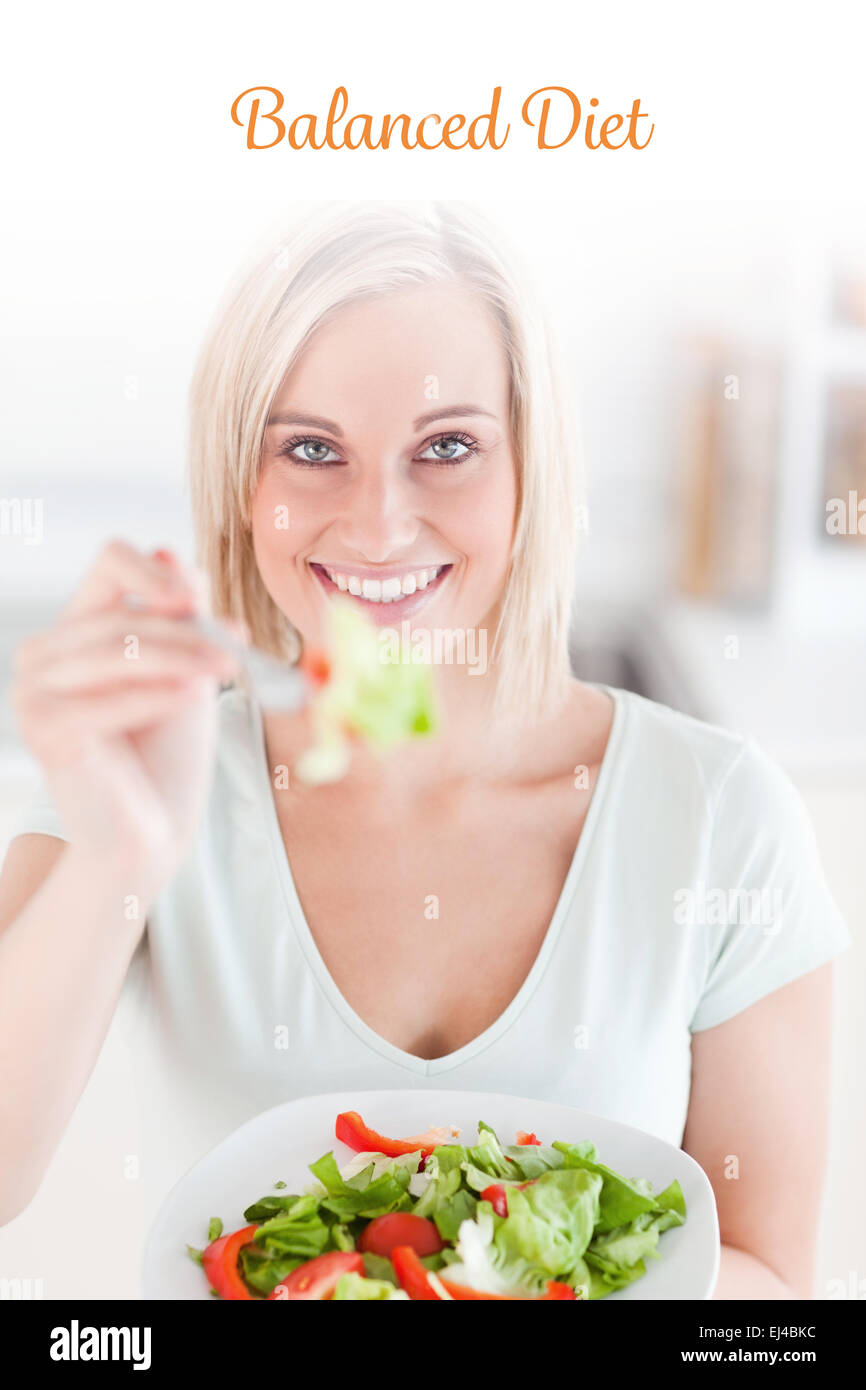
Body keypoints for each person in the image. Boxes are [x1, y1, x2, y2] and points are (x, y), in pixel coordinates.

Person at [0, 201, 850, 1298]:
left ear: (529, 467)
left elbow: (773, 1299)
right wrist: (120, 855)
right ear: (242, 486)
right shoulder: (136, 780)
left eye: (445, 446)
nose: (378, 526)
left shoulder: (722, 820)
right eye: (312, 450)